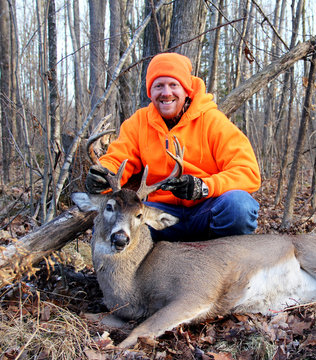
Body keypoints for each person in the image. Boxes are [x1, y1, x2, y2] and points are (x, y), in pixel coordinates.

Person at [85, 52, 261, 241]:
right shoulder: (139, 122)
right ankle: (126, 270)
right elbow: (118, 158)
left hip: (206, 210)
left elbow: (247, 172)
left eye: (173, 85)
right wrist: (103, 175)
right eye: (159, 86)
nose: (166, 93)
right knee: (108, 224)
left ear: (186, 90)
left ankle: (220, 261)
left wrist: (203, 187)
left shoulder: (212, 121)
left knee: (239, 207)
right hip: (159, 215)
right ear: (150, 92)